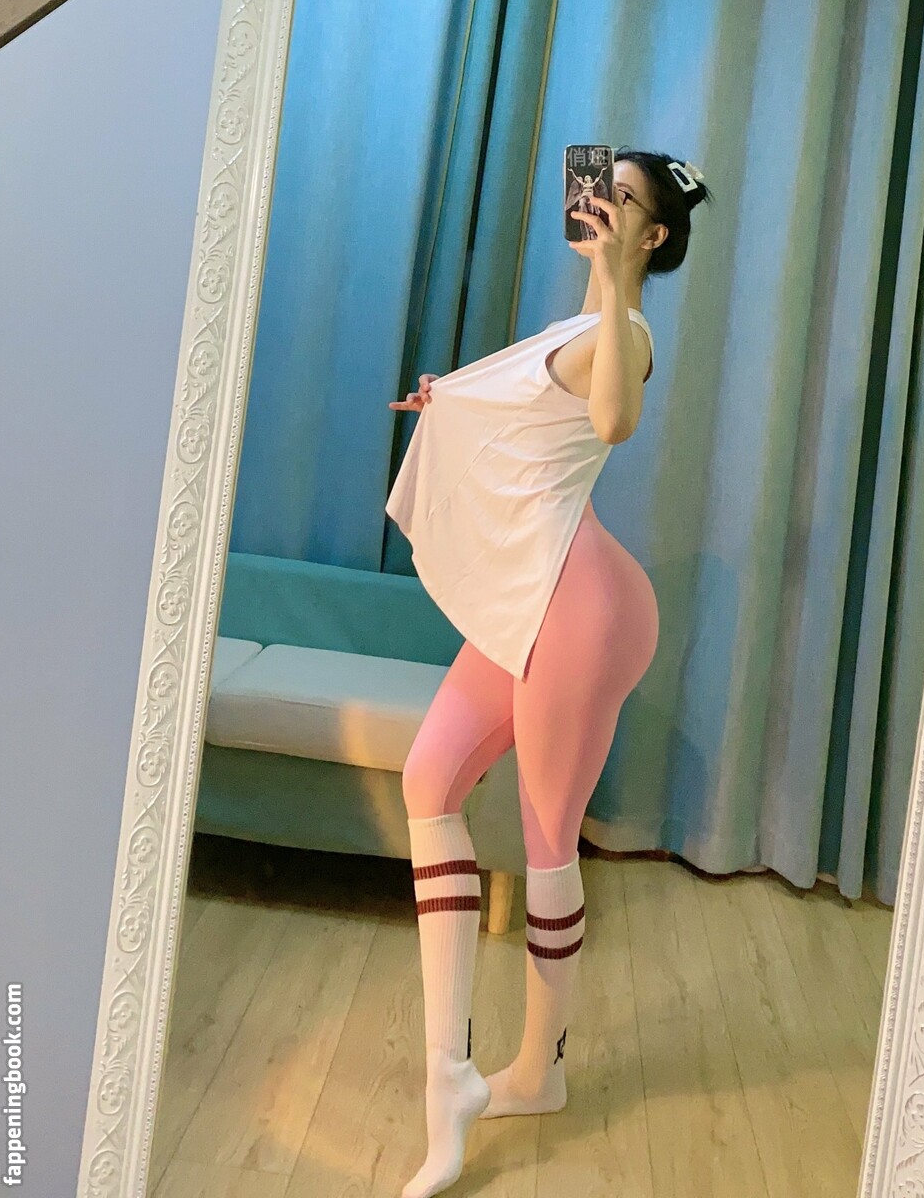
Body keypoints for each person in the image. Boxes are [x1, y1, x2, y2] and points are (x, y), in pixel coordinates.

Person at [385, 149, 710, 1198]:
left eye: (623, 198)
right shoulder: (577, 327)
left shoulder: (629, 331)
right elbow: (538, 423)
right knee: (427, 781)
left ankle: (535, 1070)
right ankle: (454, 1077)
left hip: (578, 614)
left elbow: (612, 420)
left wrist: (614, 280)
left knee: (544, 840)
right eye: (600, 187)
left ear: (653, 235)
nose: (598, 203)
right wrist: (452, 407)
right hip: (538, 596)